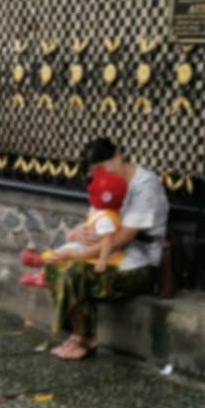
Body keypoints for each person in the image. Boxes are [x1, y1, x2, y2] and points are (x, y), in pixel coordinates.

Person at [45, 137, 168, 360]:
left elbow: (124, 237)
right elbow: (97, 217)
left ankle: (81, 338)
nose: (100, 174)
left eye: (102, 167)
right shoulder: (106, 184)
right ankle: (81, 334)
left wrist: (81, 254)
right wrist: (77, 233)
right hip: (107, 253)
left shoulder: (145, 185)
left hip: (139, 262)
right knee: (55, 264)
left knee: (75, 271)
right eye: (95, 171)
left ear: (118, 155)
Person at [19, 167, 128, 287]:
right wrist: (76, 233)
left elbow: (108, 240)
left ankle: (41, 261)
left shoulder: (107, 218)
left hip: (94, 252)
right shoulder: (99, 211)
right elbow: (87, 226)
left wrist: (102, 260)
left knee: (66, 253)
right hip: (86, 246)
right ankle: (42, 273)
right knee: (66, 252)